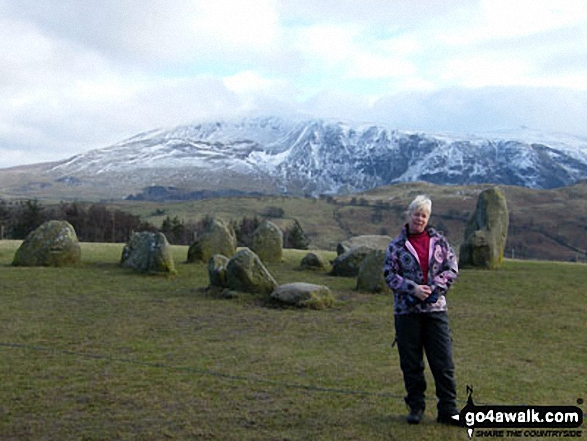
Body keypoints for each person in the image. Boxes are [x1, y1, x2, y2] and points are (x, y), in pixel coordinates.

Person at [383, 194, 459, 425]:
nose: (420, 219)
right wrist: (412, 288)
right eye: (416, 214)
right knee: (411, 362)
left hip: (435, 310)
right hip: (407, 312)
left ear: (428, 218)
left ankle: (448, 409)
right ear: (409, 215)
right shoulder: (396, 245)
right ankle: (416, 407)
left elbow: (452, 267)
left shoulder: (441, 242)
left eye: (424, 215)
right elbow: (389, 274)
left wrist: (436, 287)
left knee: (443, 361)